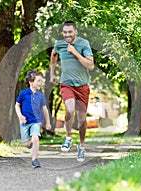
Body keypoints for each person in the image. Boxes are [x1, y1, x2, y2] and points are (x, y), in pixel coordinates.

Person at [50, 21, 94, 162]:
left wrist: (75, 53)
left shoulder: (83, 44)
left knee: (81, 119)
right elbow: (54, 54)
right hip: (66, 84)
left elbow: (91, 65)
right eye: (65, 32)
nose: (67, 35)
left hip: (82, 86)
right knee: (69, 110)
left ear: (75, 32)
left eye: (70, 32)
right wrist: (52, 74)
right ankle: (68, 137)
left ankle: (81, 147)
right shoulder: (59, 44)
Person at [15, 69, 51, 168]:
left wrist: (47, 123)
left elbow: (45, 110)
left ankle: (34, 160)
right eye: (39, 80)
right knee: (26, 144)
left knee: (35, 138)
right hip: (25, 122)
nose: (41, 83)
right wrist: (20, 116)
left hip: (35, 121)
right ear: (31, 82)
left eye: (41, 81)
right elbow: (17, 105)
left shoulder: (41, 96)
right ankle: (30, 142)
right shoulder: (23, 93)